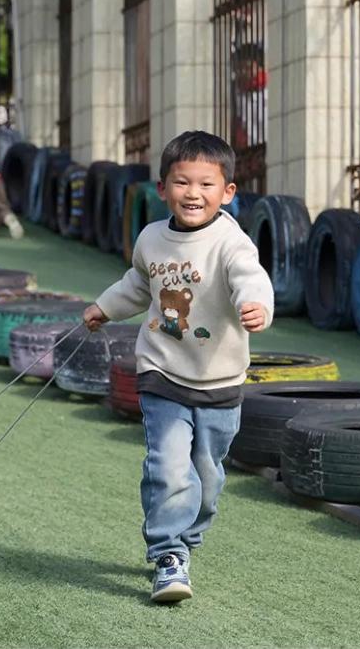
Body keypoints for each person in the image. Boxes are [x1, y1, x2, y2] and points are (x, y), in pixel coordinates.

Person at [82, 131, 274, 603]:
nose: (193, 193)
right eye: (182, 182)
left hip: (220, 379)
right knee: (169, 468)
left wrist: (256, 306)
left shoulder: (231, 242)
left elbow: (252, 278)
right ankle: (168, 554)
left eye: (206, 184)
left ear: (228, 192)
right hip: (161, 372)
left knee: (207, 480)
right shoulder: (151, 237)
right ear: (162, 187)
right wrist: (105, 308)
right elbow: (137, 284)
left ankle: (188, 541)